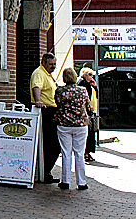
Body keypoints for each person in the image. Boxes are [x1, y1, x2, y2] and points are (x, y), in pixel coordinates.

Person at [55, 67, 91, 191]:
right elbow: (89, 107)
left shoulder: (60, 91)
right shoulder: (83, 90)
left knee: (66, 153)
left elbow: (58, 104)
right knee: (80, 153)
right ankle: (81, 183)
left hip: (64, 124)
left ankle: (65, 181)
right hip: (80, 125)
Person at [30, 52, 60, 183]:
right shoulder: (39, 73)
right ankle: (44, 171)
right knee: (51, 143)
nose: (53, 67)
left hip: (52, 110)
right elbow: (36, 86)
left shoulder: (48, 75)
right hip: (45, 111)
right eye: (51, 64)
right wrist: (37, 101)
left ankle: (45, 171)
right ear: (44, 63)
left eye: (54, 64)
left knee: (52, 144)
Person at [77, 66, 98, 161]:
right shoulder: (82, 83)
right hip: (86, 112)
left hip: (91, 111)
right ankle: (85, 153)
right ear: (85, 74)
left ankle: (88, 152)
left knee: (91, 132)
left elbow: (95, 95)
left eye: (92, 75)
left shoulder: (90, 84)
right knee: (87, 133)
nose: (91, 77)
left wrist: (95, 86)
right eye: (90, 75)